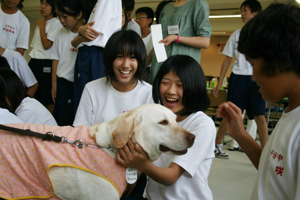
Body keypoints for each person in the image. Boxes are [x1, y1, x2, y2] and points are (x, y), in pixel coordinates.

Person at [216, 4, 300, 199]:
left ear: (282, 61)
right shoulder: (291, 113)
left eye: (253, 65)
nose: (252, 77)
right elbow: (273, 169)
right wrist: (240, 135)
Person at [117, 55, 216, 199]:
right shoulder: (156, 116)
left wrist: (142, 164)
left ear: (194, 88)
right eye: (165, 82)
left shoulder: (202, 124)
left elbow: (171, 176)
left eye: (180, 85)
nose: (171, 90)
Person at [213, 0, 268, 159]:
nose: (242, 13)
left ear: (255, 13)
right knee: (230, 114)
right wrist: (220, 81)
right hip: (239, 78)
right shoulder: (237, 34)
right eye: (241, 10)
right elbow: (227, 59)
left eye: (245, 10)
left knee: (260, 116)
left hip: (257, 78)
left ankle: (265, 151)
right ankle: (217, 144)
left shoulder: (264, 35)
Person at [73, 30, 153, 127]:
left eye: (132, 58)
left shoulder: (150, 93)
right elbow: (80, 130)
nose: (125, 65)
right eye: (119, 57)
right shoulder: (91, 89)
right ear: (109, 59)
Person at [71, 0, 122, 114]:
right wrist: (79, 33)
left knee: (91, 102)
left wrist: (77, 35)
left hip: (95, 54)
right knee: (87, 101)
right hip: (94, 53)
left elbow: (92, 33)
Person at [148, 0, 212, 84]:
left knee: (180, 92)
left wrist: (177, 38)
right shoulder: (167, 8)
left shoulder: (198, 4)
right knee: (158, 94)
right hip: (160, 65)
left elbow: (205, 42)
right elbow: (160, 42)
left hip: (183, 66)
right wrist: (143, 64)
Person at [50, 0, 85, 126]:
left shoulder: (87, 34)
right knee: (60, 120)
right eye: (59, 16)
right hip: (62, 83)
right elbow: (56, 58)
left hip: (78, 84)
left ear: (79, 14)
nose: (61, 20)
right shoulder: (60, 33)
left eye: (65, 16)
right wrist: (54, 83)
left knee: (74, 122)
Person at [28, 0, 62, 114]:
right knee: (31, 95)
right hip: (34, 61)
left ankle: (48, 124)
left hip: (46, 63)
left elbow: (47, 45)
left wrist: (42, 26)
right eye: (41, 3)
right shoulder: (41, 22)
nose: (42, 6)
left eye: (47, 4)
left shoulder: (56, 23)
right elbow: (35, 46)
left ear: (54, 8)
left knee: (46, 97)